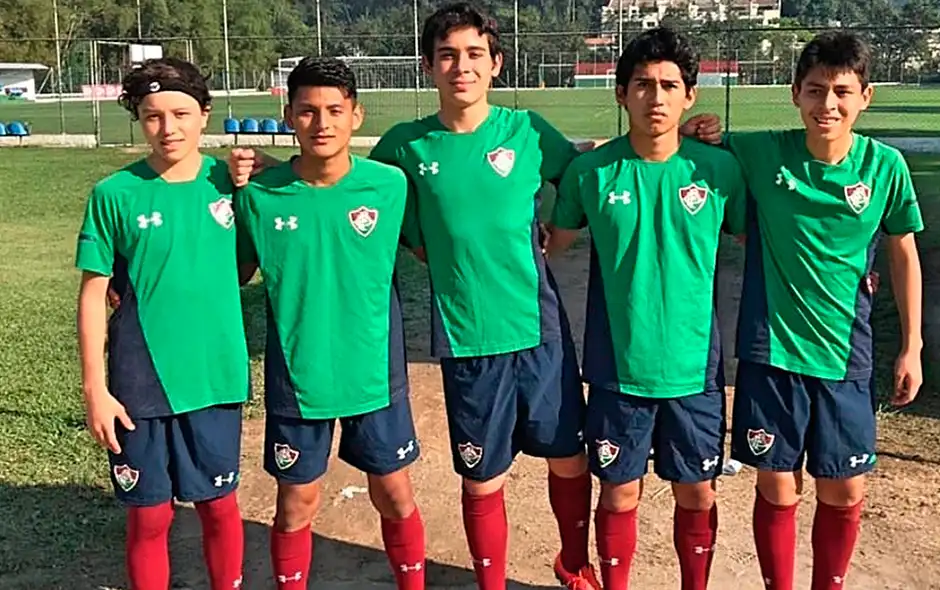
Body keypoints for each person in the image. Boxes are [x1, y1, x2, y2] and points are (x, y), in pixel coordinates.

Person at [365, 3, 601, 589]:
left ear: (496, 64)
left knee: (569, 457)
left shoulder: (528, 131)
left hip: (538, 327)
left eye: (474, 54)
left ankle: (574, 563)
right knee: (482, 477)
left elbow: (585, 176)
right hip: (467, 333)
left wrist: (682, 139)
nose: (461, 66)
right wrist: (271, 171)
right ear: (428, 66)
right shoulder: (405, 145)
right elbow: (350, 188)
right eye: (447, 55)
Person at [705, 31, 925, 590]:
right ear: (795, 94)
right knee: (778, 487)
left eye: (842, 92)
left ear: (865, 97)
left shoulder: (885, 167)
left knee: (845, 488)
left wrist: (912, 346)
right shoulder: (762, 152)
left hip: (844, 352)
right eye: (815, 90)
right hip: (773, 350)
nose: (828, 104)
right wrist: (696, 130)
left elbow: (903, 251)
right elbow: (694, 147)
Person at [545, 28, 746, 590]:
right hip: (618, 368)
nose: (655, 97)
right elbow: (549, 244)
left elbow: (763, 240)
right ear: (621, 93)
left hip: (694, 368)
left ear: (690, 96)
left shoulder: (718, 171)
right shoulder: (592, 173)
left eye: (669, 85)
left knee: (698, 492)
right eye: (642, 85)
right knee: (618, 491)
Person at [232, 57, 426, 590]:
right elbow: (234, 273)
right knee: (296, 501)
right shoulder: (258, 196)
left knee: (395, 494)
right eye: (308, 111)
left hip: (374, 374)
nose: (322, 123)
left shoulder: (389, 186)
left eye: (335, 110)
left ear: (356, 116)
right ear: (288, 116)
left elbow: (437, 245)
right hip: (299, 378)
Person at [75, 57, 248, 590]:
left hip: (215, 377)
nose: (168, 128)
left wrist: (258, 166)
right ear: (139, 119)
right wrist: (95, 390)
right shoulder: (114, 194)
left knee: (218, 506)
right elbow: (92, 294)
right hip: (139, 381)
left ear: (205, 114)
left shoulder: (232, 183)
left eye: (180, 113)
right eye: (153, 116)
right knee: (150, 515)